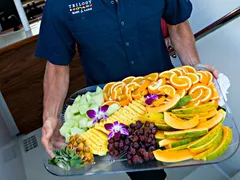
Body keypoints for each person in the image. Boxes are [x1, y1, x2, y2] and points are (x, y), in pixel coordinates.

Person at [35, 0, 218, 179]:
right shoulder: (59, 4)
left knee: (188, 147)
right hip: (110, 114)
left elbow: (177, 24)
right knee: (146, 173)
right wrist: (50, 116)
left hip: (165, 96)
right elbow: (57, 64)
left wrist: (195, 71)